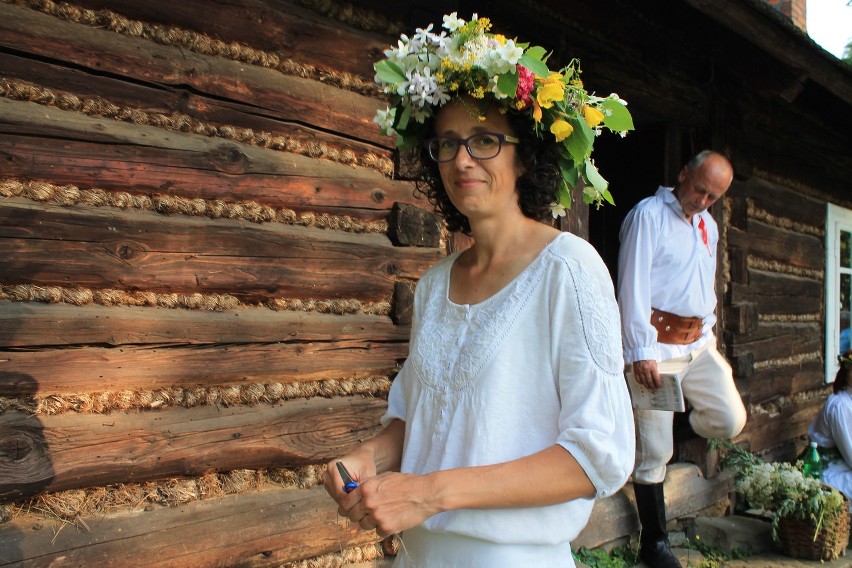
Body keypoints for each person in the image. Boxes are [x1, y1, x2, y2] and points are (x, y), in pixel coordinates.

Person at [321, 13, 636, 567]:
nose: (462, 159)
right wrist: (367, 458)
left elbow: (596, 456)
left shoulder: (569, 269)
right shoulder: (436, 284)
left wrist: (429, 492)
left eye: (485, 140)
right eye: (447, 144)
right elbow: (418, 418)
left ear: (525, 156)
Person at [617, 150, 748, 568]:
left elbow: (703, 289)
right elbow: (631, 286)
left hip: (698, 345)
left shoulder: (707, 225)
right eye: (699, 190)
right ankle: (654, 544)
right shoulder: (649, 216)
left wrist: (708, 337)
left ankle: (674, 422)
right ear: (683, 174)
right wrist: (640, 351)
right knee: (655, 453)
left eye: (713, 196)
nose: (703, 201)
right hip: (656, 347)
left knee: (731, 419)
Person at [807, 351, 852, 510]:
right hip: (827, 468)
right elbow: (850, 454)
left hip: (843, 463)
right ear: (846, 374)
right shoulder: (840, 405)